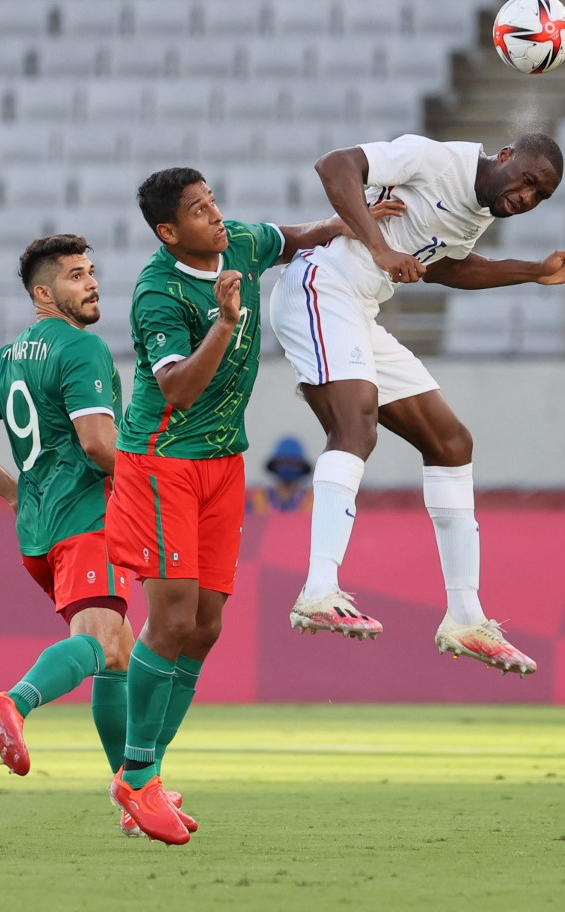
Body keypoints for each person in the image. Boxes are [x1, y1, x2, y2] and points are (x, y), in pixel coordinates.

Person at [105, 167, 403, 845]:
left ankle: (145, 777)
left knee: (206, 627)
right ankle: (136, 777)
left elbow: (291, 238)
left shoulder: (237, 241)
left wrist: (353, 222)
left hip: (222, 463)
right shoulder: (158, 293)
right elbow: (177, 389)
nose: (216, 216)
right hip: (163, 461)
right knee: (173, 616)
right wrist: (227, 322)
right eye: (198, 211)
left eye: (213, 203)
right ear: (168, 232)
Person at [269, 131, 565, 674]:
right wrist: (378, 244)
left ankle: (466, 618)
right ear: (507, 156)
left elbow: (451, 266)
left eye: (541, 196)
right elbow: (334, 164)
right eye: (529, 181)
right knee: (357, 427)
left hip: (360, 308)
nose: (528, 197)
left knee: (451, 442)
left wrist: (536, 271)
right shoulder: (436, 158)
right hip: (320, 286)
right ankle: (318, 590)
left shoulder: (479, 210)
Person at [0, 234, 142, 835]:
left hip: (39, 529)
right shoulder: (81, 349)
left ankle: (134, 789)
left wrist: (10, 490)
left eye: (93, 271)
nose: (93, 282)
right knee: (103, 642)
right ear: (44, 293)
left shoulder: (8, 357)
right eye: (77, 275)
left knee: (118, 654)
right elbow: (100, 445)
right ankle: (14, 703)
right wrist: (152, 489)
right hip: (87, 516)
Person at [246, 435, 313, 512]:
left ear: (302, 467)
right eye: (283, 462)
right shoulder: (258, 499)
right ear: (274, 465)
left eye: (293, 463)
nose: (288, 466)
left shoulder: (312, 500)